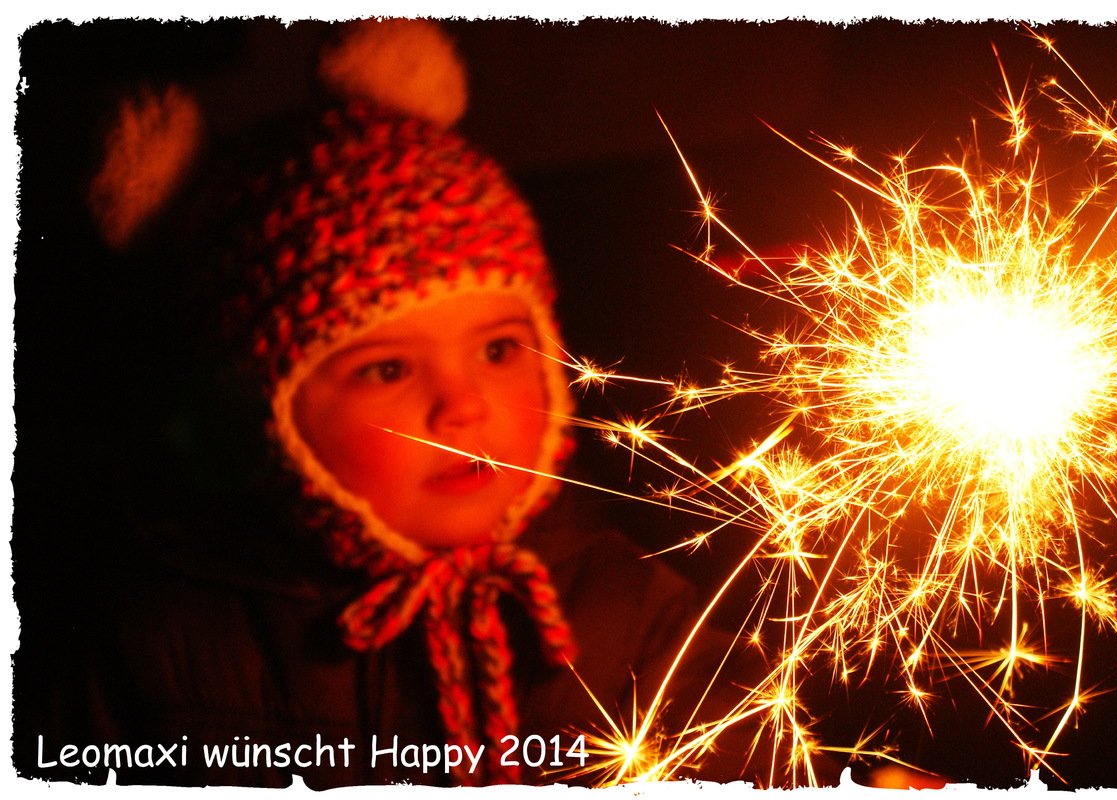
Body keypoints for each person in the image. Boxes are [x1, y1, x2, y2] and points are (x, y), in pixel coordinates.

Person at [16, 20, 761, 789]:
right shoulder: (154, 646)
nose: (463, 406)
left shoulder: (631, 612)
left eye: (498, 350)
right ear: (262, 415)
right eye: (388, 369)